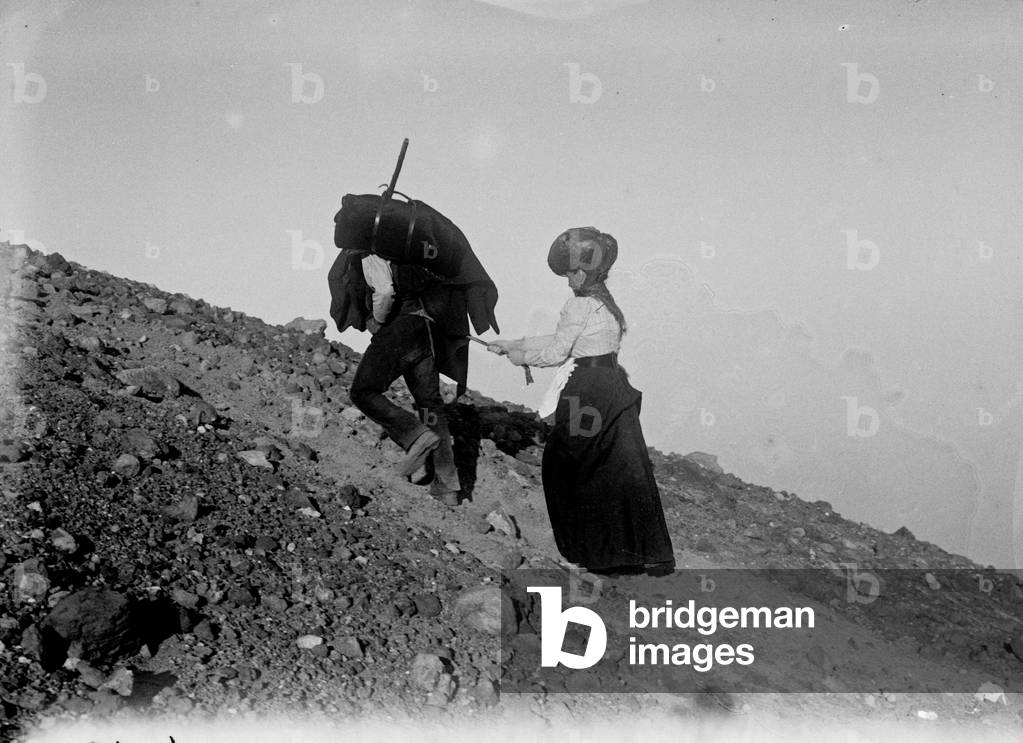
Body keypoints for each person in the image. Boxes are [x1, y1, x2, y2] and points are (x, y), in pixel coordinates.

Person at [487, 227, 675, 576]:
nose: (568, 279)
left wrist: (519, 358)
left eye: (572, 272)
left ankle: (592, 554)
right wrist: (517, 343)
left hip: (585, 391)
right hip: (614, 387)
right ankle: (650, 555)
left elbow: (559, 350)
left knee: (565, 464)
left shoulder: (578, 304)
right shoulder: (605, 304)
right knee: (625, 469)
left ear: (585, 271)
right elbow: (567, 338)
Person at [348, 253, 462, 506]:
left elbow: (386, 291)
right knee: (430, 405)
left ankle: (415, 435)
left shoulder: (372, 252)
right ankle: (448, 487)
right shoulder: (404, 248)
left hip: (399, 328)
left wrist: (377, 320)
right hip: (426, 329)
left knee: (363, 391)